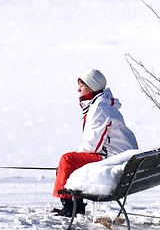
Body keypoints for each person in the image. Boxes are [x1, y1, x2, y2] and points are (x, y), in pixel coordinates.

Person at [51, 68, 138, 217]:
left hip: (114, 159)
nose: (78, 89)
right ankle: (75, 207)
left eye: (82, 85)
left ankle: (71, 208)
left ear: (92, 86)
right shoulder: (101, 105)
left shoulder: (100, 108)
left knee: (67, 160)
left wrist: (70, 163)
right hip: (124, 159)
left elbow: (93, 145)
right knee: (70, 161)